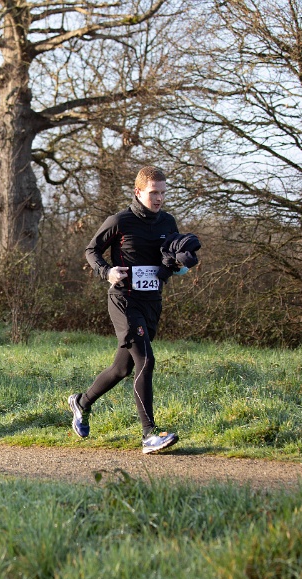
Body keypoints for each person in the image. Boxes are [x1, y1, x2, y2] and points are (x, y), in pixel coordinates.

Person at [67, 166, 198, 454]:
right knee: (146, 361)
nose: (159, 198)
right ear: (138, 192)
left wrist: (179, 265)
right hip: (124, 300)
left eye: (163, 193)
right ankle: (149, 434)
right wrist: (107, 272)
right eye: (153, 193)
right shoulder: (119, 221)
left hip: (152, 302)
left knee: (122, 368)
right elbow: (91, 250)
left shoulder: (168, 222)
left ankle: (81, 402)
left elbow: (169, 259)